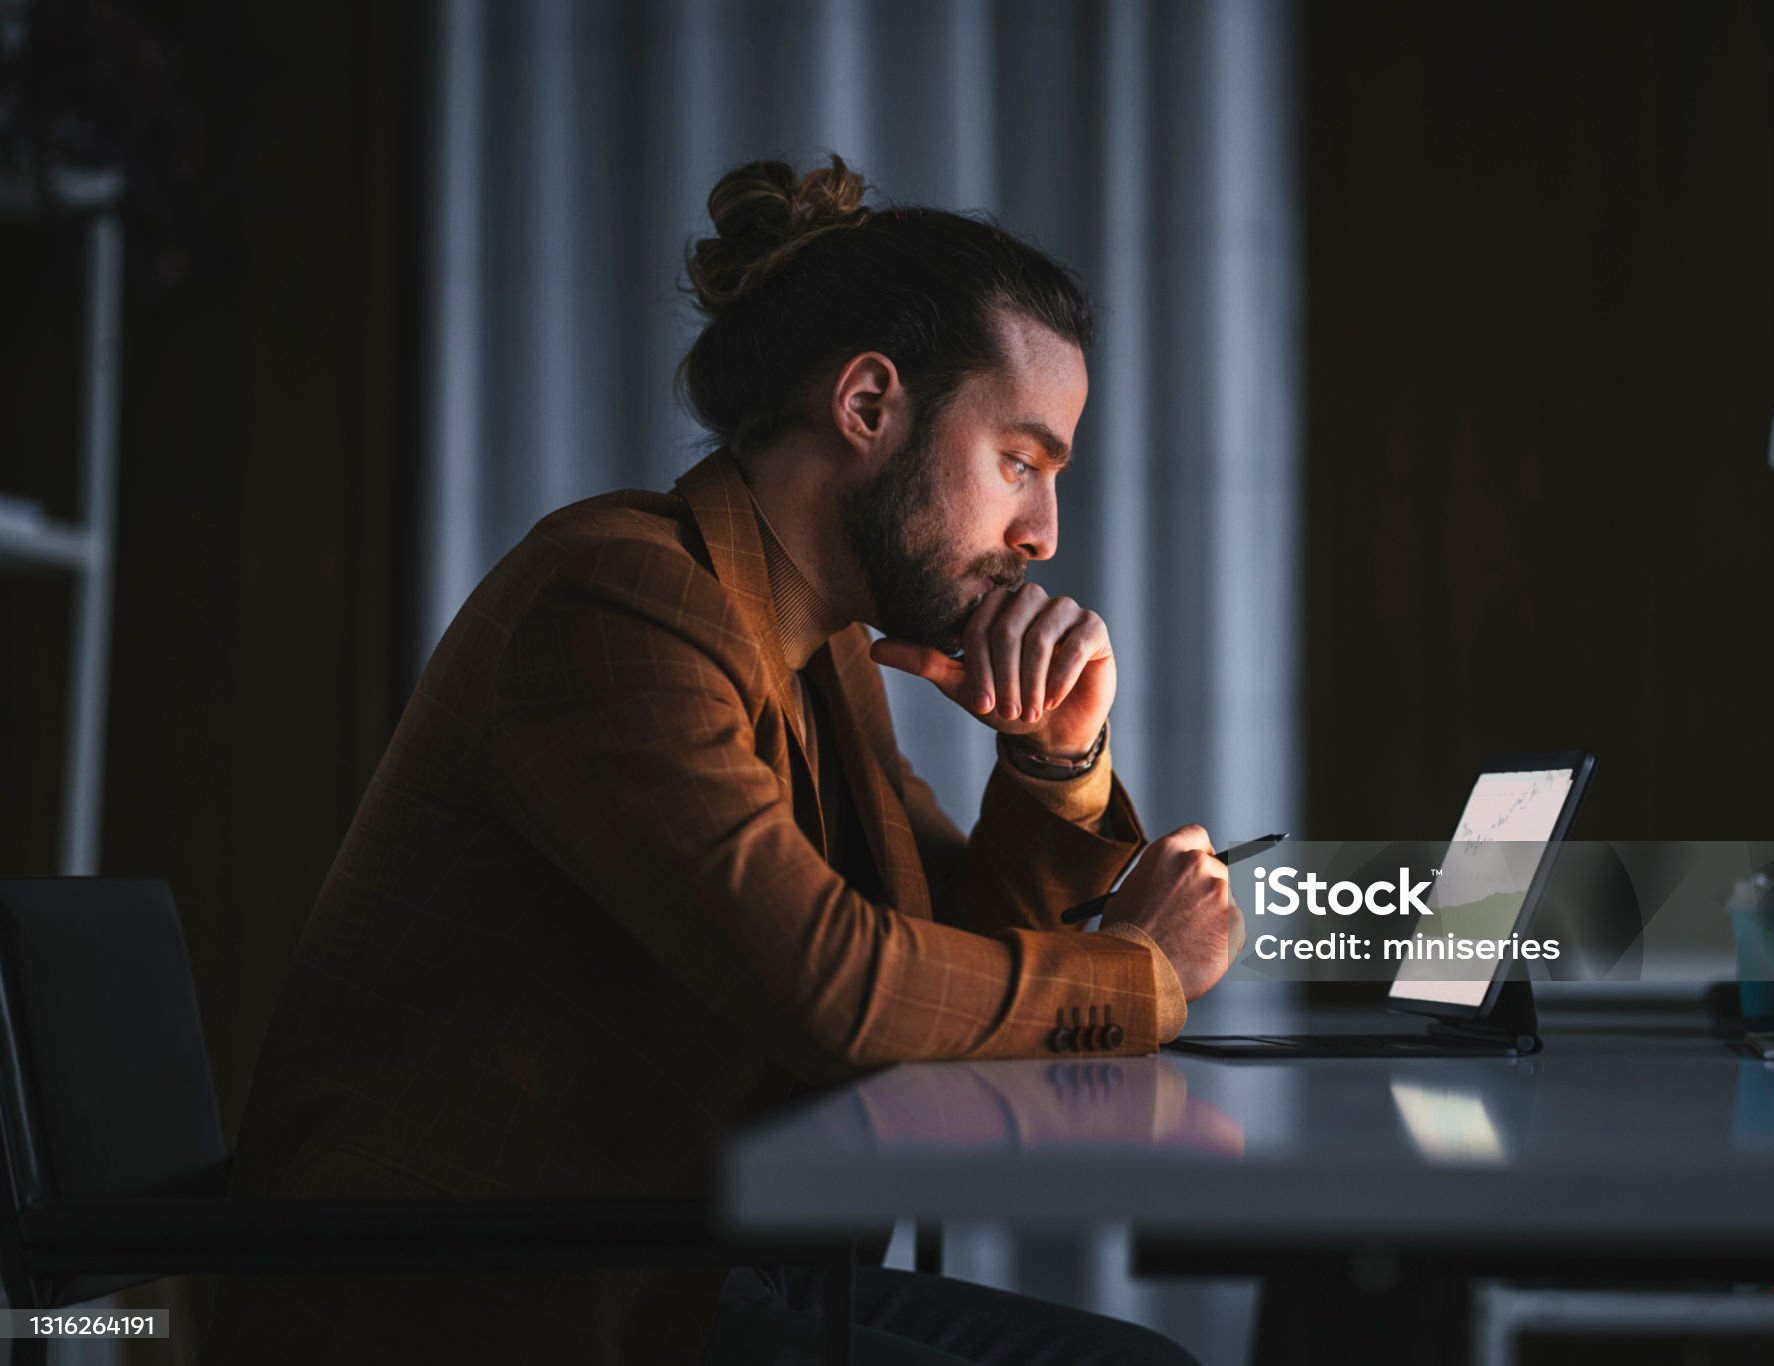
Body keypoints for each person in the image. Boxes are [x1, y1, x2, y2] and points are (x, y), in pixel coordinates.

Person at [200, 155, 1242, 1365]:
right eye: (1020, 461)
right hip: (480, 1306)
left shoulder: (816, 652)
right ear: (866, 405)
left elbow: (938, 932)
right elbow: (842, 992)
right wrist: (1139, 973)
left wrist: (1052, 765)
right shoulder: (615, 599)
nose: (1042, 534)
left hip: (677, 1275)